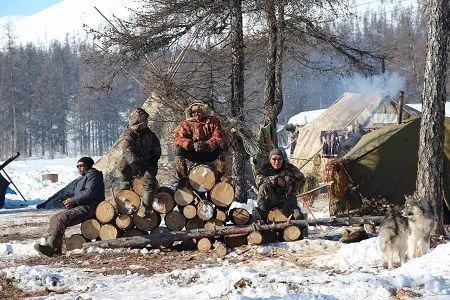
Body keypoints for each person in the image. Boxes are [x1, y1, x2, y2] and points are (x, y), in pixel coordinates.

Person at [34, 157, 105, 257]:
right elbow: (83, 195)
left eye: (81, 166)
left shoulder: (93, 175)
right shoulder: (85, 177)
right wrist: (72, 203)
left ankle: (53, 249)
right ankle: (51, 245)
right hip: (84, 205)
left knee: (61, 219)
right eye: (77, 166)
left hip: (90, 207)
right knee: (56, 217)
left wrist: (73, 200)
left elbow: (90, 192)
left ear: (88, 165)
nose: (79, 168)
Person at [118, 107, 161, 214]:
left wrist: (153, 159)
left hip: (148, 161)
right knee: (123, 166)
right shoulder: (129, 133)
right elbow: (127, 150)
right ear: (139, 122)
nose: (147, 123)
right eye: (145, 121)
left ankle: (145, 210)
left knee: (149, 181)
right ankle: (124, 193)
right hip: (136, 160)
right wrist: (134, 163)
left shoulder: (150, 134)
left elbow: (157, 148)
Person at [174, 102, 228, 185]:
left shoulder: (214, 121)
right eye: (193, 112)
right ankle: (183, 178)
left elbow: (219, 136)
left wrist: (208, 145)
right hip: (193, 153)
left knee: (223, 145)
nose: (196, 114)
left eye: (199, 111)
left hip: (209, 152)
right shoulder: (185, 124)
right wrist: (191, 145)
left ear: (204, 111)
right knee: (178, 150)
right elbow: (179, 138)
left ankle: (222, 176)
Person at [252, 148, 306, 222]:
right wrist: (275, 180)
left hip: (286, 199)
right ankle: (263, 212)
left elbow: (302, 179)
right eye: (274, 159)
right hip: (270, 199)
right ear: (270, 159)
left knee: (298, 216)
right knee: (264, 186)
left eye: (279, 159)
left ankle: (296, 216)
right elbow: (258, 180)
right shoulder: (264, 168)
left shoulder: (289, 168)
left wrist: (292, 187)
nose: (277, 162)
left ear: (283, 159)